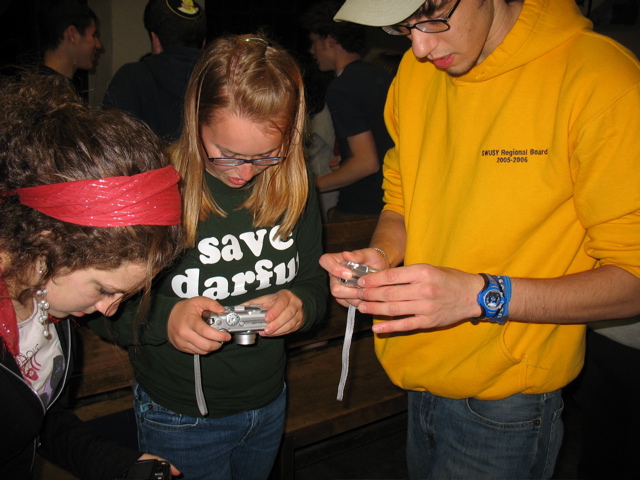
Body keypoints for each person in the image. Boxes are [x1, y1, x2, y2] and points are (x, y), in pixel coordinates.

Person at [319, 0, 640, 479]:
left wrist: (480, 297)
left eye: (429, 16)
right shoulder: (415, 70)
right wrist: (381, 256)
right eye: (403, 26)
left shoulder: (601, 79)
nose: (421, 47)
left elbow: (633, 280)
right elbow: (402, 198)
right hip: (416, 371)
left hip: (508, 398)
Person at [89, 33, 328, 480]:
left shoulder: (294, 187)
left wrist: (301, 305)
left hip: (270, 400)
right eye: (226, 155)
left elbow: (314, 285)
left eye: (265, 158)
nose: (242, 174)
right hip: (181, 417)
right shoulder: (157, 190)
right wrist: (167, 320)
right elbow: (98, 310)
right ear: (196, 118)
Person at [0, 73, 184, 479]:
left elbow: (39, 420)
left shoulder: (45, 301)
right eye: (104, 289)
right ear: (47, 242)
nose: (109, 309)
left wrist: (118, 465)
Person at [301, 1, 394, 223]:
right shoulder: (380, 77)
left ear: (331, 40)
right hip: (391, 201)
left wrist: (309, 188)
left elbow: (366, 162)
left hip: (363, 208)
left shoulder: (342, 88)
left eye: (315, 42)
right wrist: (347, 158)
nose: (311, 50)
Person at [103, 0, 207, 142]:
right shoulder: (222, 78)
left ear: (155, 40)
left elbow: (111, 144)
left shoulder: (130, 79)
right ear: (204, 42)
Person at [37, 0, 102, 91]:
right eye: (94, 35)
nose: (98, 45)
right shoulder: (51, 95)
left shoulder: (38, 87)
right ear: (73, 35)